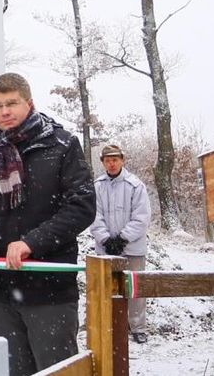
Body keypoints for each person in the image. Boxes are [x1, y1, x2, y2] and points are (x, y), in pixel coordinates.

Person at [0, 73, 95, 376]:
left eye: (12, 103)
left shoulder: (62, 145)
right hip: (0, 290)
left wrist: (33, 241)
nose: (4, 111)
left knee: (56, 371)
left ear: (29, 103)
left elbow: (82, 206)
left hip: (50, 289)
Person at [88, 143, 152, 344]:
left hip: (132, 248)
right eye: (108, 160)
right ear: (103, 163)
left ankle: (138, 327)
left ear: (122, 160)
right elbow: (93, 215)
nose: (112, 164)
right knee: (106, 288)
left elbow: (142, 217)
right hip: (106, 249)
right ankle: (108, 324)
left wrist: (122, 238)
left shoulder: (135, 185)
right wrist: (106, 239)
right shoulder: (97, 186)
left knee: (135, 289)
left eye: (115, 159)